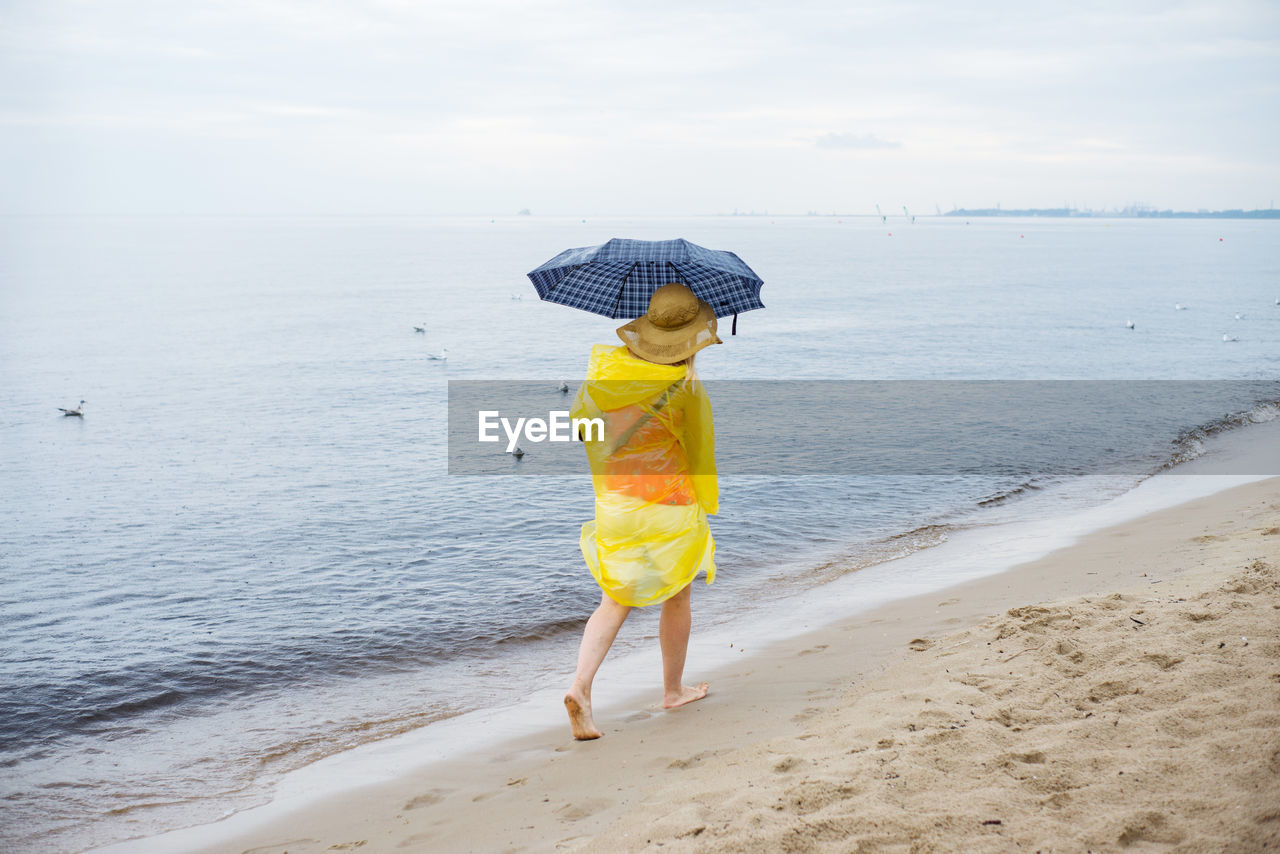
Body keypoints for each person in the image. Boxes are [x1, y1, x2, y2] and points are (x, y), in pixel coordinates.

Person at [563, 283, 722, 740]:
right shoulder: (686, 388)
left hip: (616, 505)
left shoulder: (605, 377)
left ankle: (581, 686)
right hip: (669, 506)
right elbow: (699, 453)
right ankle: (673, 690)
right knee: (677, 597)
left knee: (614, 598)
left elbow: (582, 432)